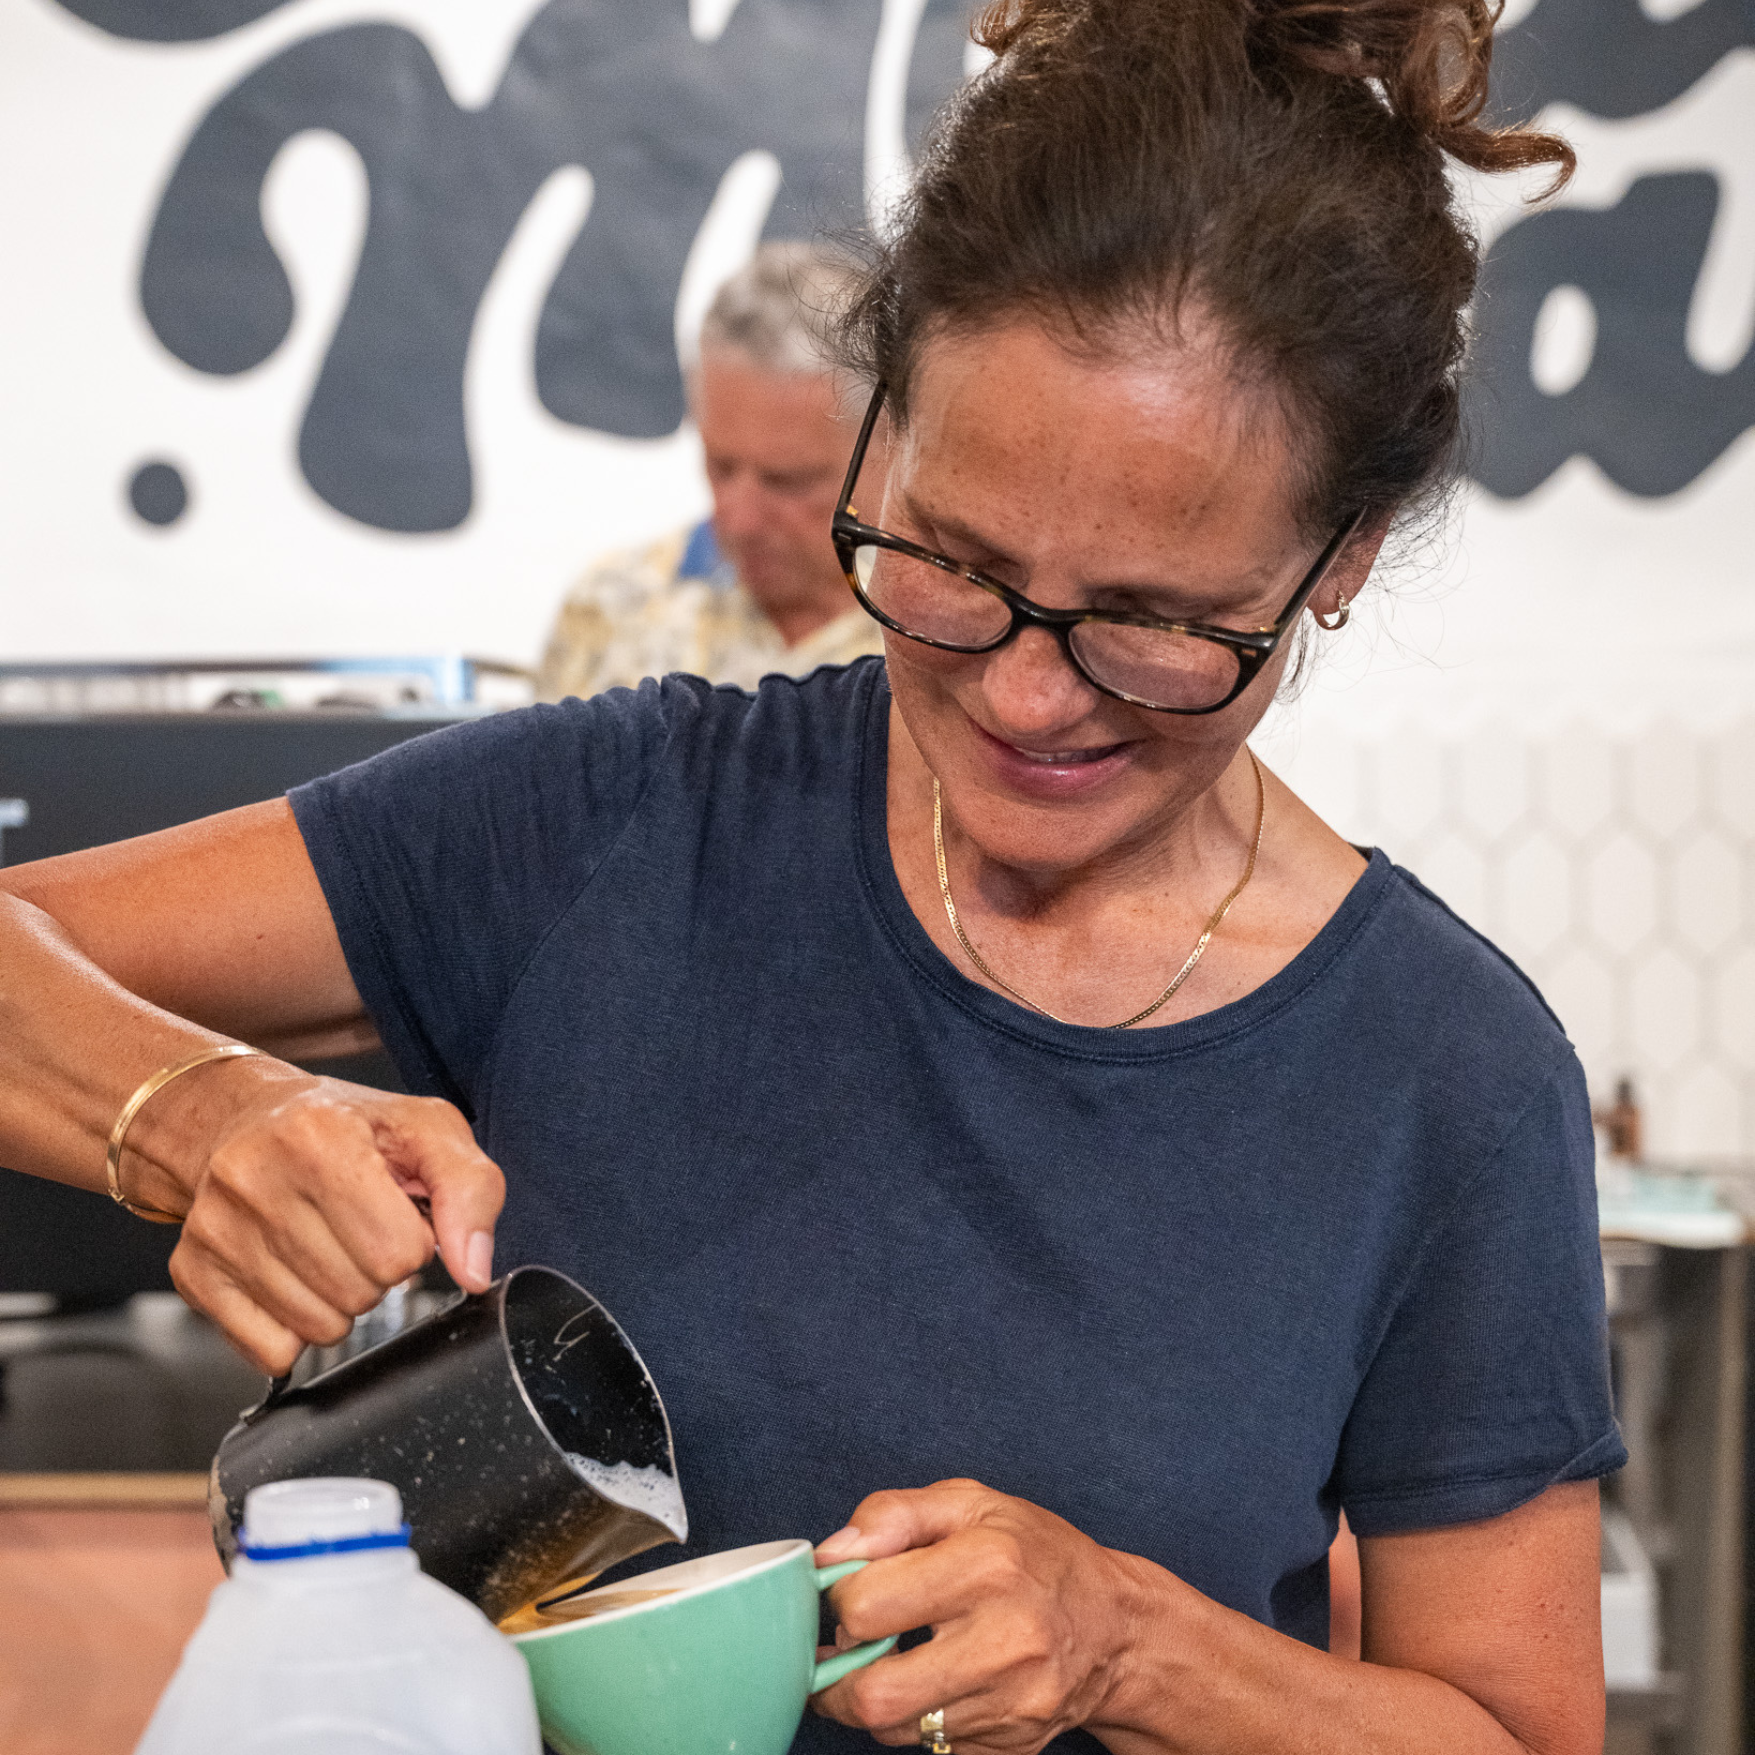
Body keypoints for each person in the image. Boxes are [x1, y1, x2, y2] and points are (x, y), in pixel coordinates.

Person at [0, 3, 1621, 1753]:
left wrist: (1139, 1648)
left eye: (1151, 628)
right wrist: (194, 1112)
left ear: (1342, 556)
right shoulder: (616, 824)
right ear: (887, 430)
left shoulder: (1441, 1078)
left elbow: (1515, 1734)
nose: (1020, 694)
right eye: (949, 562)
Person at [537, 242, 886, 700]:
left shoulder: (948, 632)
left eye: (787, 482)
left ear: (889, 447)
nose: (739, 519)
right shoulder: (611, 609)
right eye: (720, 467)